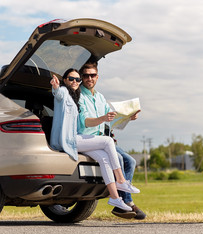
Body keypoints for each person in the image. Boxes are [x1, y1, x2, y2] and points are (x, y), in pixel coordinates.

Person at [50, 68, 139, 213]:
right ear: (64, 80)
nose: (75, 81)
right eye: (71, 79)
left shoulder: (78, 96)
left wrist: (128, 116)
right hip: (70, 140)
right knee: (108, 142)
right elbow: (59, 95)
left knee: (104, 158)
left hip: (82, 139)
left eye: (77, 79)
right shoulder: (64, 93)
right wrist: (55, 87)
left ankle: (115, 198)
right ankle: (121, 181)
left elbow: (110, 117)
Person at [78, 62, 146, 220]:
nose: (89, 78)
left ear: (97, 77)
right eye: (86, 75)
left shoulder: (100, 97)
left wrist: (129, 116)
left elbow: (113, 118)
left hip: (103, 138)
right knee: (120, 159)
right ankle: (125, 203)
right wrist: (102, 118)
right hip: (88, 138)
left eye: (92, 75)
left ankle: (123, 201)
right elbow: (85, 122)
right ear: (81, 77)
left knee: (131, 161)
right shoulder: (79, 96)